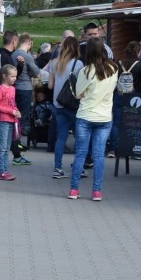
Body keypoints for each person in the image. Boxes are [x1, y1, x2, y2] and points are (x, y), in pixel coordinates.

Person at [67, 37, 118, 201]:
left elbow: (77, 93)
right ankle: (97, 191)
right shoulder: (113, 68)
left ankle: (74, 190)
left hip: (86, 115)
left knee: (80, 154)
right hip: (104, 116)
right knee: (98, 156)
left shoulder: (86, 71)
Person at [45, 36, 84, 179]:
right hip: (73, 105)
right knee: (79, 137)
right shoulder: (78, 64)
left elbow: (50, 86)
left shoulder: (54, 63)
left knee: (61, 137)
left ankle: (58, 167)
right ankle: (78, 167)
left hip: (58, 104)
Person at [107, 40, 141, 158]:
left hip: (119, 96)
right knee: (133, 123)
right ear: (138, 52)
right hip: (134, 98)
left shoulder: (118, 64)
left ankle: (112, 150)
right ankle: (130, 149)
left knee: (116, 123)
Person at [13, 33, 41, 165]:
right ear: (29, 42)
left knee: (14, 116)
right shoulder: (27, 55)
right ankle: (17, 144)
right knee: (22, 117)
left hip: (15, 87)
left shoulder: (14, 54)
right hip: (25, 88)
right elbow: (37, 73)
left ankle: (14, 143)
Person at [0, 64, 21, 181]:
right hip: (3, 121)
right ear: (4, 76)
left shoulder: (13, 89)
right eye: (12, 76)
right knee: (2, 147)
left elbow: (12, 103)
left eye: (15, 76)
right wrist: (11, 111)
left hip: (11, 121)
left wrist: (16, 111)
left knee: (7, 147)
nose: (15, 78)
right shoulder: (1, 89)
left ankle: (5, 170)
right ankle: (1, 171)